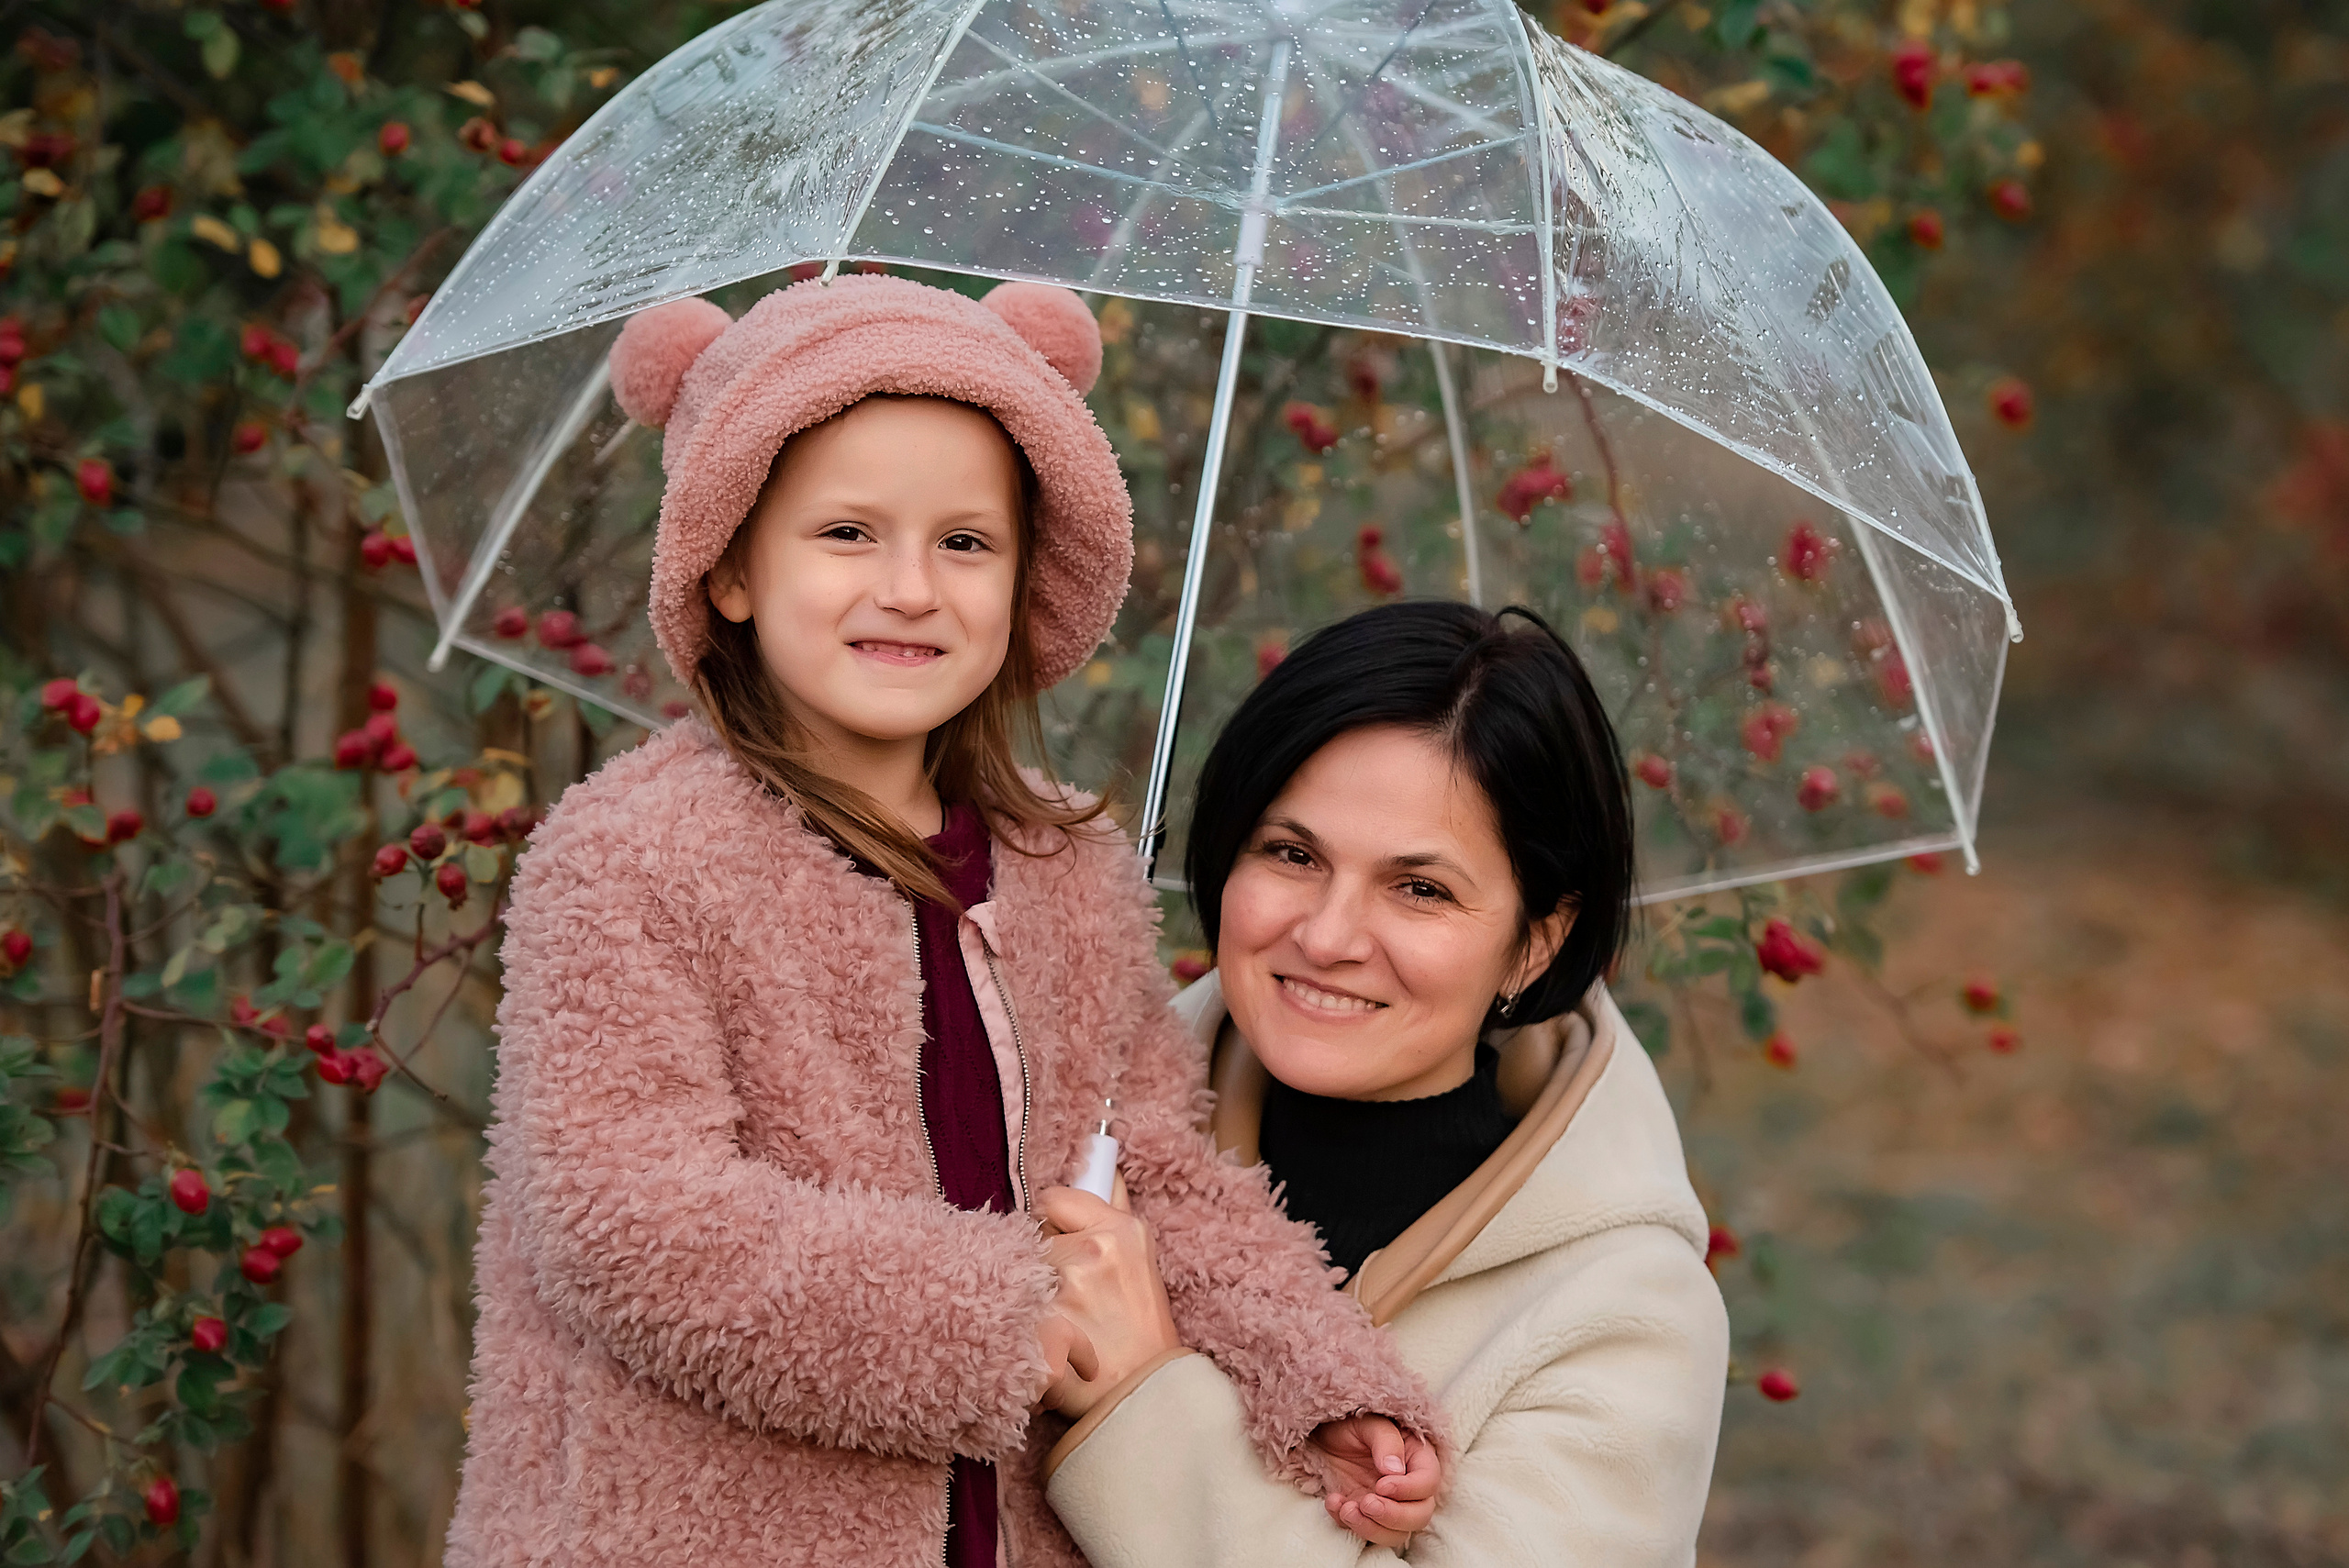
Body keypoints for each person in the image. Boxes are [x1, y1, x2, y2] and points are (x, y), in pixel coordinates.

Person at [444, 275, 1440, 1568]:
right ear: (734, 568)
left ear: (1023, 578)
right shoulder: (633, 858)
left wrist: (1318, 1386)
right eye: (847, 532)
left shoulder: (1061, 866)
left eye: (965, 543)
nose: (911, 588)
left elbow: (1154, 1178)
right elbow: (636, 1227)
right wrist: (998, 1317)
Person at [1041, 601, 1731, 1565]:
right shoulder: (1069, 1114)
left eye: (1420, 888)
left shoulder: (1623, 1311)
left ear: (1535, 942)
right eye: (1291, 853)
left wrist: (1144, 1397)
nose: (1326, 936)